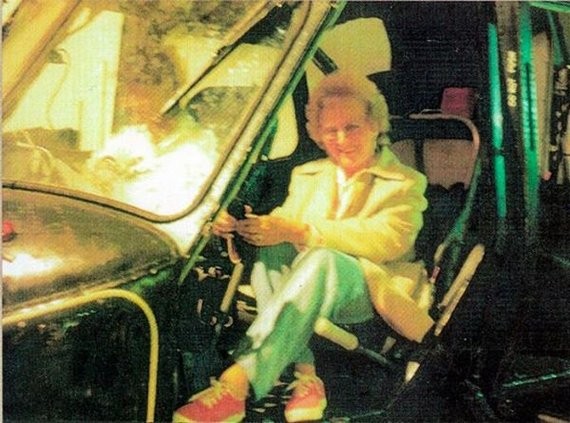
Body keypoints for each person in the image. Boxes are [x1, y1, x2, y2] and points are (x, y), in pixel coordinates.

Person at [173, 71, 435, 423]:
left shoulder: (406, 181)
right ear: (319, 135)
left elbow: (388, 240)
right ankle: (307, 376)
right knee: (271, 251)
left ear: (375, 125)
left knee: (323, 259)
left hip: (372, 294)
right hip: (311, 290)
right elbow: (282, 224)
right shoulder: (308, 175)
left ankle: (237, 384)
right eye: (330, 131)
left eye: (352, 127)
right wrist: (238, 226)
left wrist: (305, 231)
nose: (341, 140)